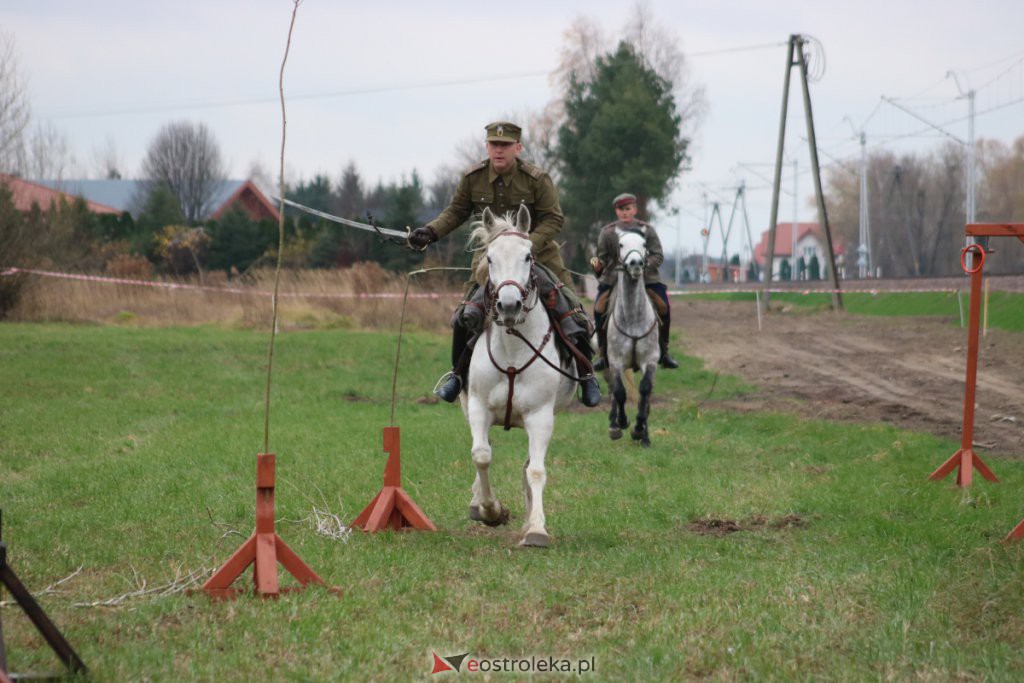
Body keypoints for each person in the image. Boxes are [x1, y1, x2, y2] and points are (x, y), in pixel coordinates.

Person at [407, 121, 602, 407]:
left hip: (538, 256)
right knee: (467, 315)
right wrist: (430, 232)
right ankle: (457, 376)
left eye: (505, 145)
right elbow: (455, 212)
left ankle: (587, 376)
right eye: (494, 145)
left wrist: (525, 245)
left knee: (573, 314)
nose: (499, 150)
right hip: (492, 263)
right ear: (487, 147)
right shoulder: (473, 178)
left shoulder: (536, 179)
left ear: (517, 148)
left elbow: (554, 219)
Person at [590, 192, 679, 370]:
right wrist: (599, 265)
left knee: (664, 307)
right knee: (599, 308)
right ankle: (603, 353)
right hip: (615, 279)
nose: (625, 213)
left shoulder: (647, 230)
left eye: (628, 209)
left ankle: (664, 350)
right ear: (616, 211)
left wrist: (643, 266)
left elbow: (658, 255)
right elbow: (603, 257)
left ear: (635, 209)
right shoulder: (607, 232)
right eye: (621, 210)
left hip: (646, 279)